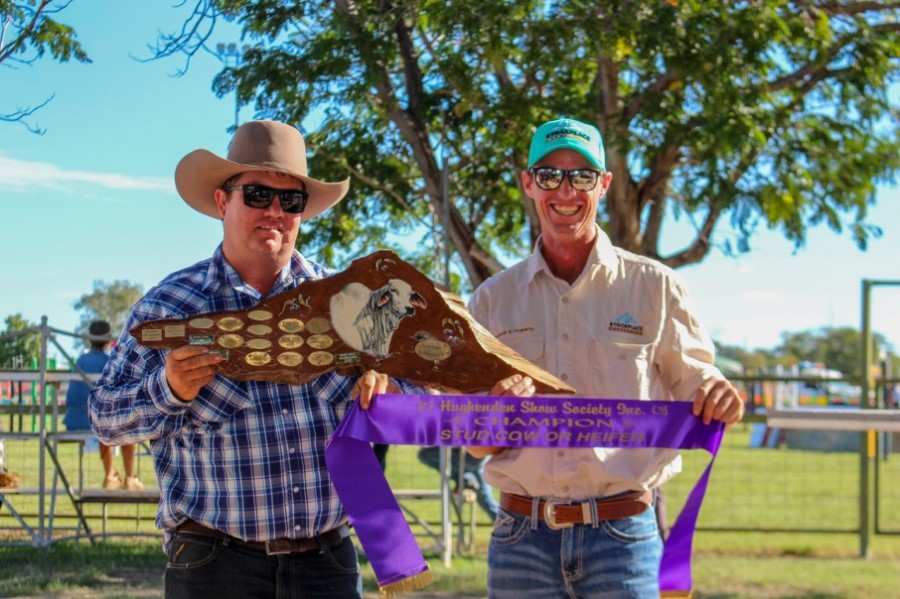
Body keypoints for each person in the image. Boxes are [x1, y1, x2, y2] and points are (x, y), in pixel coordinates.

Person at [89, 119, 533, 599]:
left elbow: (417, 392)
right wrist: (169, 389)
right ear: (223, 201)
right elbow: (104, 420)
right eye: (257, 195)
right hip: (214, 563)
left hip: (326, 561)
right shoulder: (170, 306)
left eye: (291, 200)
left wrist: (391, 383)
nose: (275, 211)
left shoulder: (356, 300)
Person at [466, 117, 745, 598]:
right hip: (519, 540)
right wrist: (493, 415)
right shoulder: (492, 300)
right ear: (529, 184)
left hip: (624, 538)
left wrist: (719, 395)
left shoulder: (656, 287)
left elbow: (699, 385)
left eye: (582, 175)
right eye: (550, 174)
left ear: (604, 184)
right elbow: (473, 443)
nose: (566, 190)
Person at [64, 320, 143, 491]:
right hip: (99, 422)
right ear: (109, 339)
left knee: (105, 422)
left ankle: (110, 475)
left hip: (75, 420)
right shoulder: (111, 361)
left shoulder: (80, 360)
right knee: (124, 426)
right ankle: (129, 476)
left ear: (89, 339)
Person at [417, 446, 499, 520]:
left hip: (472, 457)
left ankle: (465, 480)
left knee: (424, 454)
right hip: (478, 460)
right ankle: (506, 526)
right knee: (486, 500)